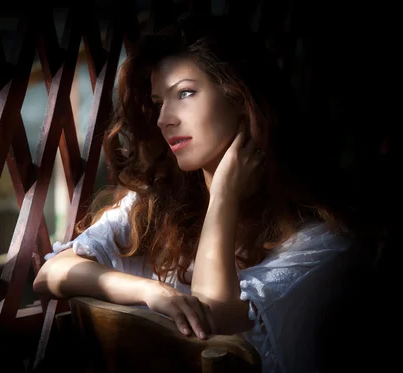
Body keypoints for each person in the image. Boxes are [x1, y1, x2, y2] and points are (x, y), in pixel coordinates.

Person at [33, 15, 366, 373]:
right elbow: (53, 273)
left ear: (240, 98)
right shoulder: (156, 207)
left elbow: (211, 316)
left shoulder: (319, 242)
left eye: (186, 93)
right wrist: (153, 293)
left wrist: (223, 194)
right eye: (159, 102)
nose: (165, 119)